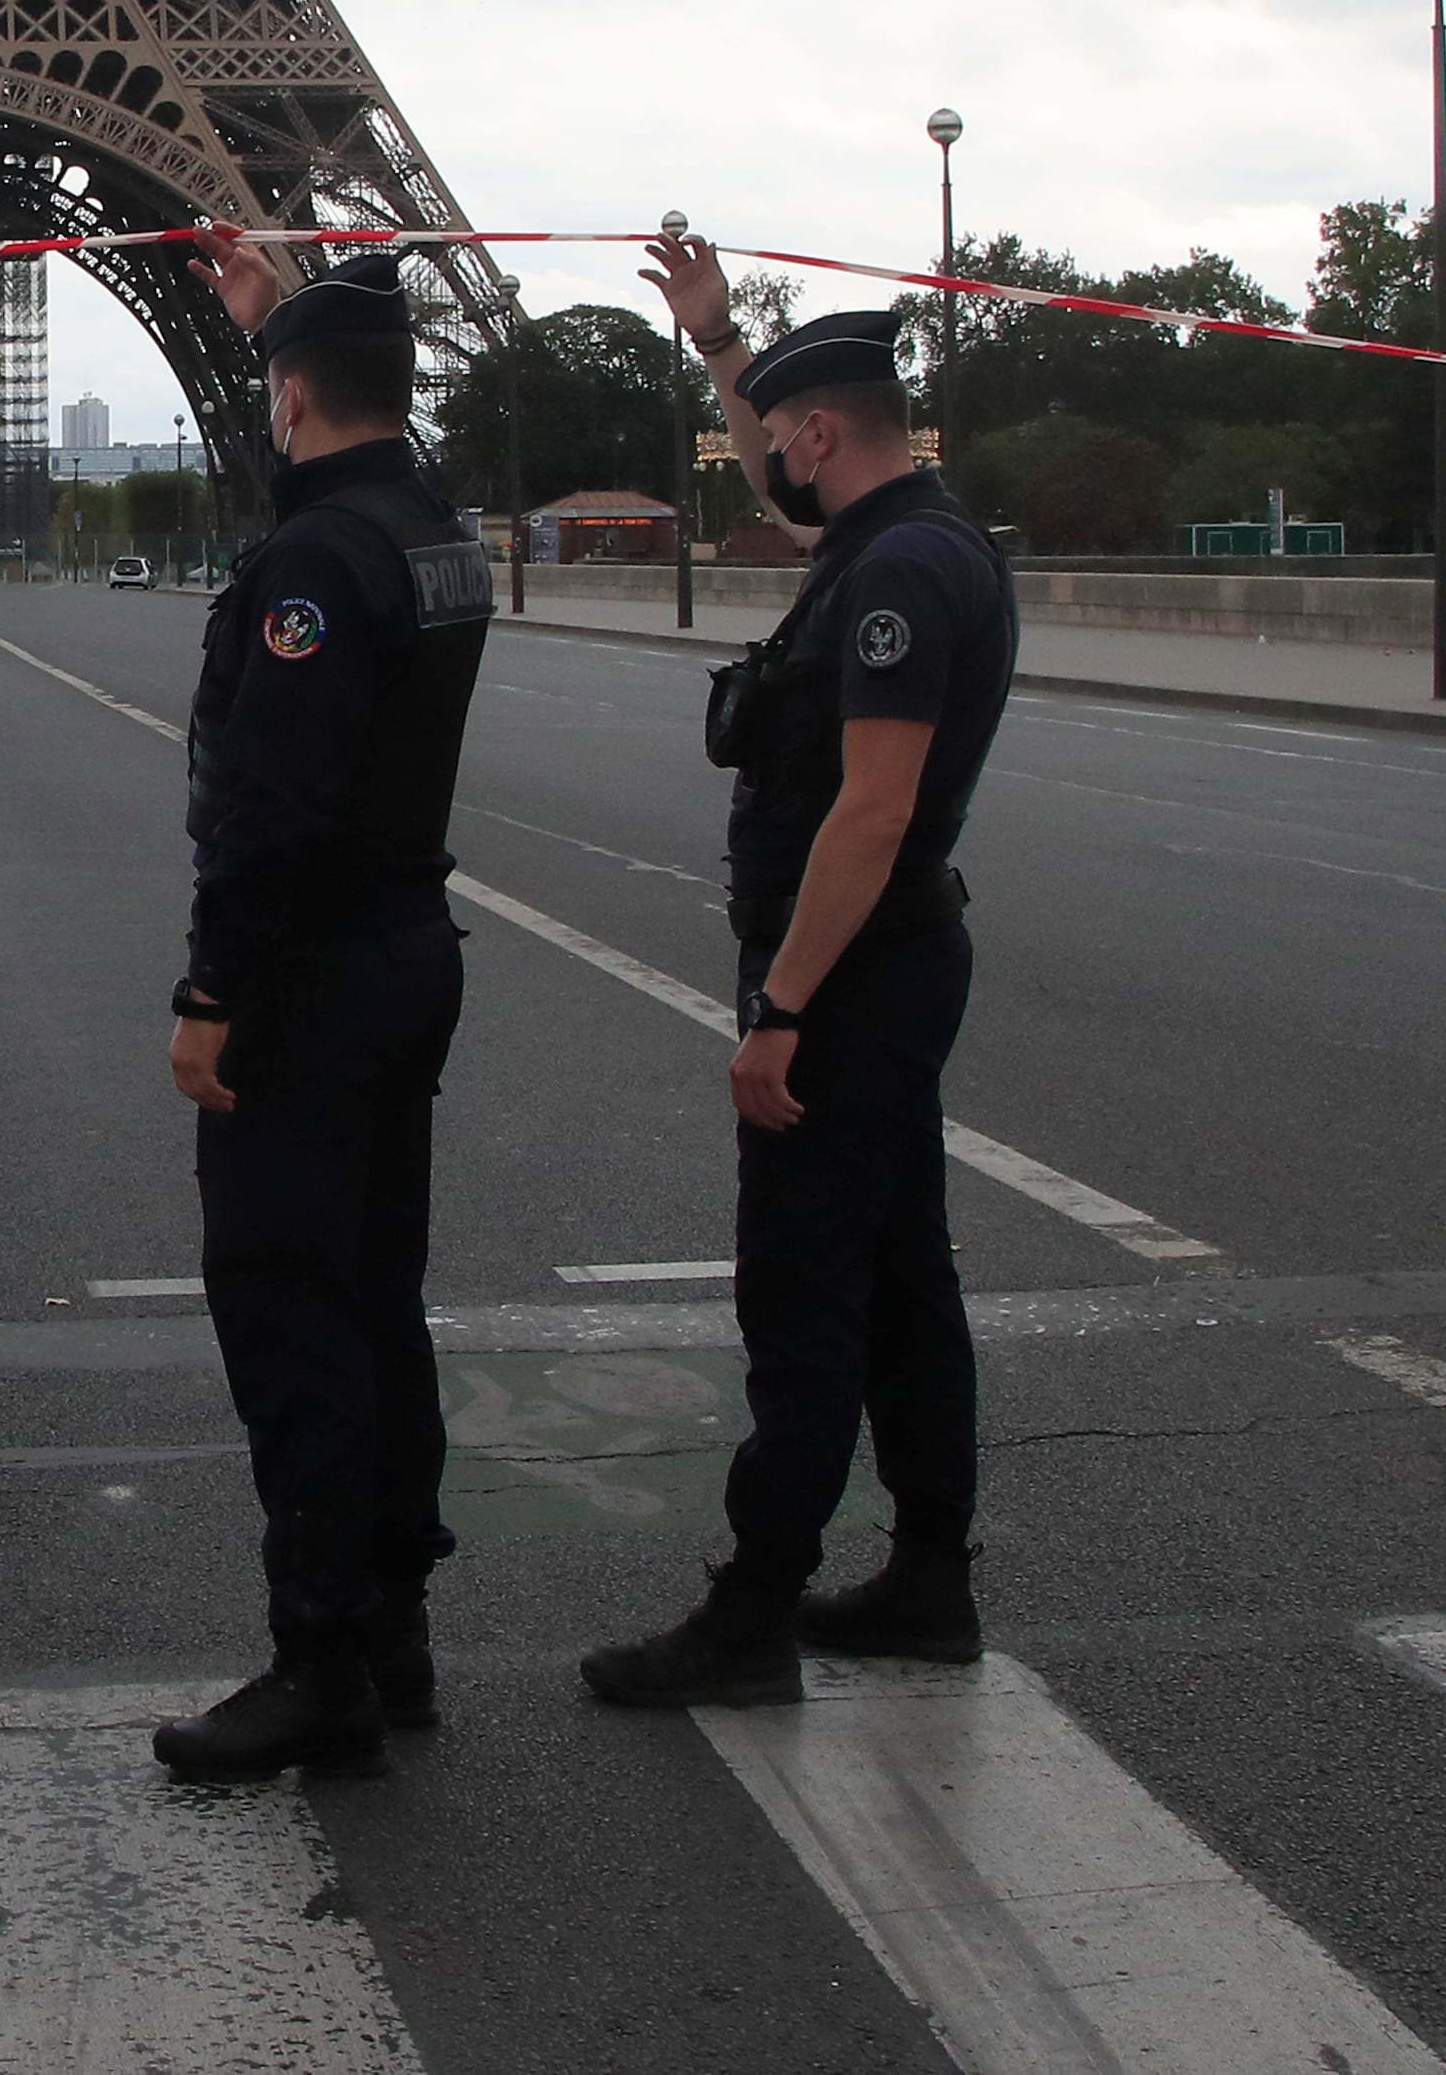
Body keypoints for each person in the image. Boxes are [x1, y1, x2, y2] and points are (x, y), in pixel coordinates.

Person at [583, 259, 1020, 1709]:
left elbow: (873, 812)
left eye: (782, 434)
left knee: (804, 1289)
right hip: (899, 960)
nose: (773, 460)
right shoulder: (916, 534)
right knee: (904, 1279)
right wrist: (717, 342)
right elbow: (787, 498)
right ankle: (930, 1577)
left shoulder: (894, 574)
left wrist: (781, 1006)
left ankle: (752, 1609)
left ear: (823, 434)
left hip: (853, 973)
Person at [149, 240, 498, 1783]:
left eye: (277, 382)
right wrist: (278, 317)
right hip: (410, 947)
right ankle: (390, 1625)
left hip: (310, 975)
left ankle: (318, 1659)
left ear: (290, 395)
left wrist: (214, 987)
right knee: (376, 1301)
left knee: (291, 1312)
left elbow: (272, 811)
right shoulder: (436, 538)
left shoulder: (311, 566)